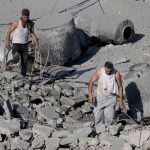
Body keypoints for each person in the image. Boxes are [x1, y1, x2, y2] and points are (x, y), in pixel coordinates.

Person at [88, 61, 125, 127]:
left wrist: (121, 101)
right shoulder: (99, 72)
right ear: (104, 67)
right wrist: (90, 95)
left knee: (109, 116)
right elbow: (91, 82)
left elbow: (120, 87)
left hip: (111, 97)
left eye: (110, 71)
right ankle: (99, 129)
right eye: (107, 71)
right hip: (100, 96)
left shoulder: (116, 74)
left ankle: (108, 131)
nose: (108, 73)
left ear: (112, 68)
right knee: (98, 117)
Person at [5, 8, 39, 76]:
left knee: (24, 61)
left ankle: (23, 75)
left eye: (27, 17)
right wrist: (7, 42)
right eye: (24, 17)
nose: (26, 18)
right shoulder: (17, 23)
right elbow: (9, 31)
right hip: (16, 44)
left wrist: (36, 44)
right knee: (16, 57)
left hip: (24, 45)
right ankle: (11, 62)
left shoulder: (29, 24)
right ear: (22, 16)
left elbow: (32, 34)